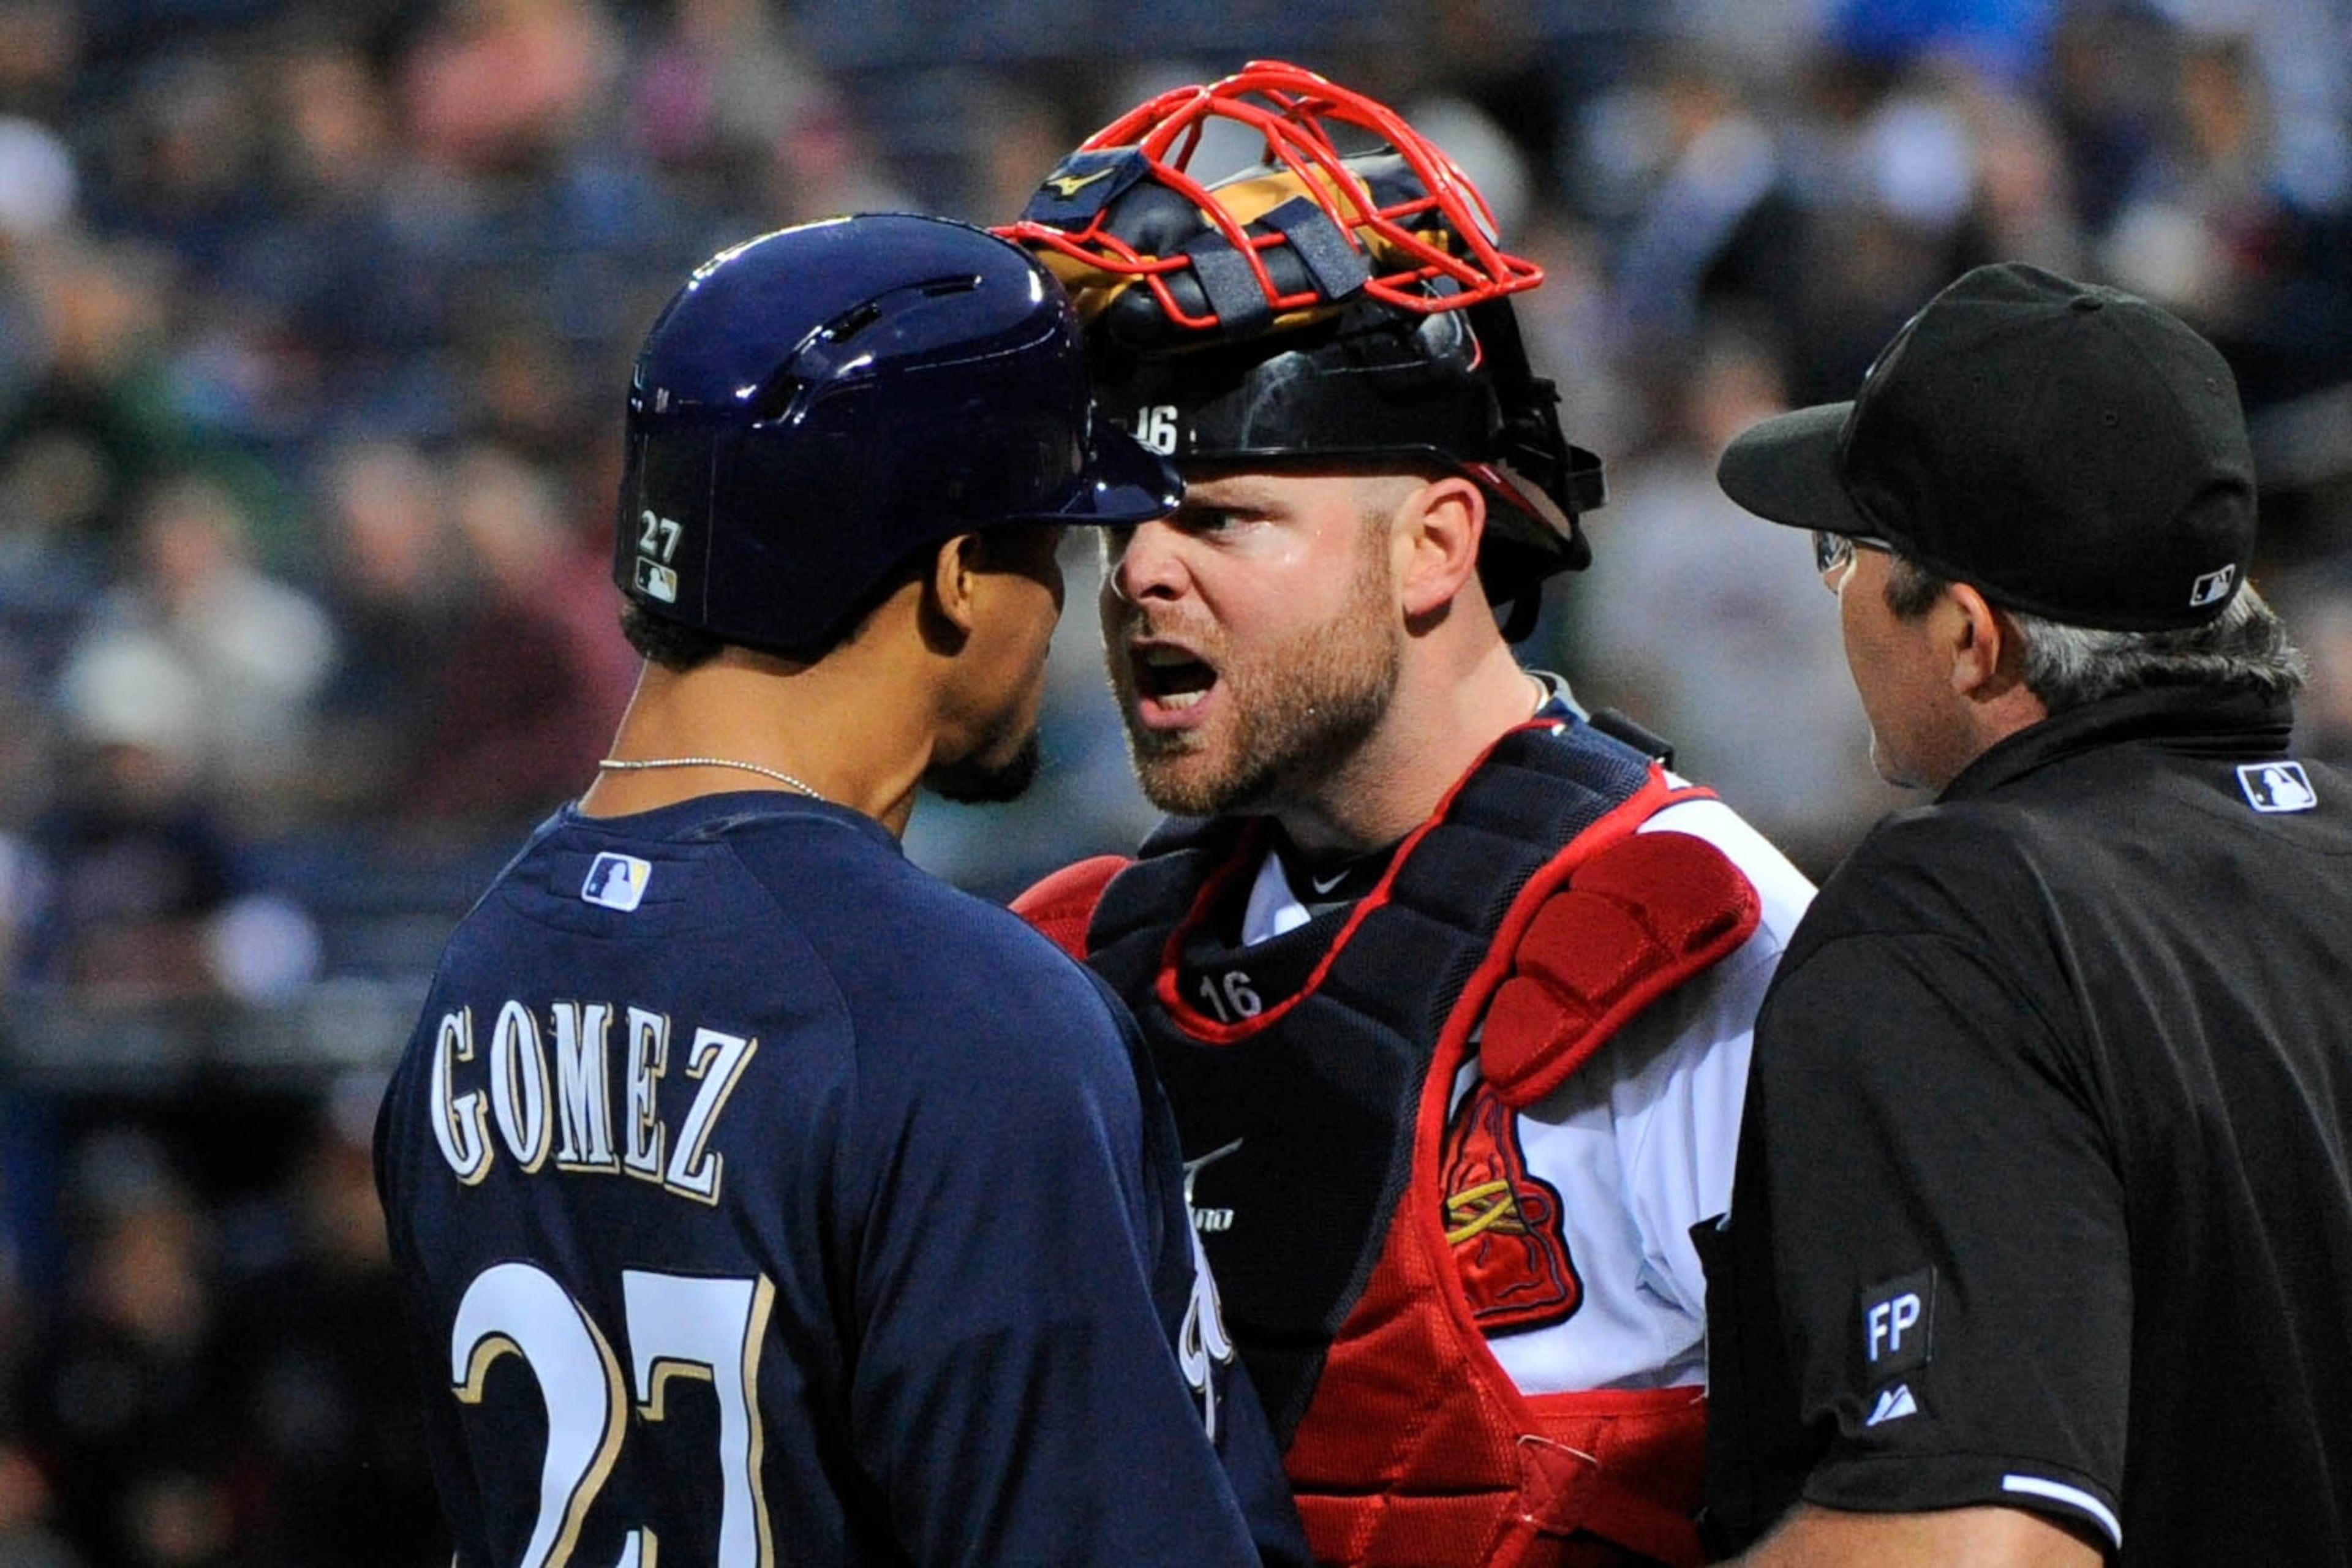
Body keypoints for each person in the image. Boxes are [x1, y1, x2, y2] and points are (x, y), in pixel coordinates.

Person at [372, 214, 1309, 1568]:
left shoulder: (478, 974)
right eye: (1046, 550)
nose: (1062, 604)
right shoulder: (967, 1021)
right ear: (951, 576)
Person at [1000, 64, 1815, 1568]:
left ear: (1436, 543)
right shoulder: (1085, 960)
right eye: (1124, 526)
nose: (1141, 580)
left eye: (1221, 517)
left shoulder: (1679, 929)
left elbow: (1905, 1496)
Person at [1698, 260, 2352, 1565]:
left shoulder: (1951, 925)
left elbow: (1970, 1541)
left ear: (1970, 640)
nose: (1834, 591)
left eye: (1849, 549)